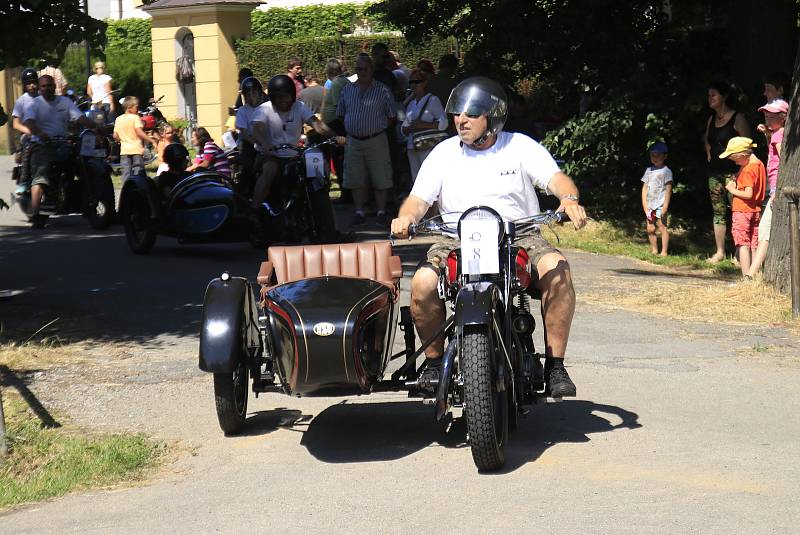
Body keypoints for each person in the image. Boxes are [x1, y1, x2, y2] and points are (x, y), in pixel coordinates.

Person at [390, 77, 587, 397]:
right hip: (455, 238)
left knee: (558, 270)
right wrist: (407, 217)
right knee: (423, 284)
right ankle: (433, 362)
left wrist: (569, 200)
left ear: (492, 117)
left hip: (519, 235)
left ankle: (555, 367)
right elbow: (418, 200)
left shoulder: (519, 146)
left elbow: (557, 179)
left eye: (470, 114)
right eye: (456, 114)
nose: (460, 120)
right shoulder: (443, 153)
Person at [250, 74, 344, 242]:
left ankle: (329, 225)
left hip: (295, 155)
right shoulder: (264, 110)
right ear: (272, 97)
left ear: (292, 95)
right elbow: (256, 129)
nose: (283, 100)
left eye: (286, 96)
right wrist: (266, 144)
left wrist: (335, 136)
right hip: (270, 155)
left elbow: (316, 123)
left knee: (316, 166)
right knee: (271, 169)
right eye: (279, 97)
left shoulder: (299, 107)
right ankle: (254, 211)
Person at [23, 75, 97, 228]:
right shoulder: (34, 104)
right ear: (39, 87)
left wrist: (97, 126)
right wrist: (39, 133)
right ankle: (36, 214)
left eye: (50, 85)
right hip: (42, 145)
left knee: (82, 164)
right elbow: (29, 122)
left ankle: (88, 202)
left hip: (63, 143)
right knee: (40, 176)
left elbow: (80, 118)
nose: (47, 88)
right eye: (44, 86)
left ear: (55, 86)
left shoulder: (64, 102)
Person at [337, 54, 397, 226]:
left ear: (371, 70)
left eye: (364, 69)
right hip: (353, 141)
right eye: (358, 69)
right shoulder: (347, 90)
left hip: (376, 139)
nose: (361, 72)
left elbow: (392, 116)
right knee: (355, 178)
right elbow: (341, 114)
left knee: (381, 176)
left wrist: (375, 126)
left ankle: (380, 211)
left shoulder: (383, 90)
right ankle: (359, 211)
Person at [703, 80, 750, 263]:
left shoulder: (737, 118)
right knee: (718, 211)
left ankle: (740, 254)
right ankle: (720, 252)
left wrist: (742, 171)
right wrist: (707, 148)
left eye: (713, 95)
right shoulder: (711, 119)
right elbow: (707, 137)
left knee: (738, 212)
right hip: (714, 173)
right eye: (709, 95)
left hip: (734, 173)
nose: (710, 99)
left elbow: (747, 145)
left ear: (724, 97)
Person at [746, 99, 788, 279]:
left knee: (764, 232)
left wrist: (777, 191)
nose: (768, 120)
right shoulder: (779, 133)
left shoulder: (779, 135)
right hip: (775, 189)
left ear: (784, 118)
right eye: (766, 116)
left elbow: (783, 160)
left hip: (777, 190)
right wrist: (768, 134)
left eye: (772, 117)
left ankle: (750, 275)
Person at [719, 137, 766, 277]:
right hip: (755, 210)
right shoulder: (759, 165)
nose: (734, 162)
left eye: (735, 159)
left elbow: (748, 193)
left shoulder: (747, 170)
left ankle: (746, 276)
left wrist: (732, 190)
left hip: (742, 210)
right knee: (753, 243)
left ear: (743, 154)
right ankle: (754, 275)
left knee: (742, 243)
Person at [401, 68, 448, 182]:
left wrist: (424, 125)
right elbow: (403, 128)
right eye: (411, 82)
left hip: (428, 146)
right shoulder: (411, 103)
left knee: (430, 179)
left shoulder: (433, 100)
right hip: (412, 147)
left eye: (416, 82)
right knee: (416, 180)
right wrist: (408, 128)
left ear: (424, 83)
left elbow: (444, 123)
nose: (413, 85)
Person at [235, 76, 267, 196]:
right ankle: (241, 195)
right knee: (248, 168)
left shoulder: (267, 107)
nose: (250, 96)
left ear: (259, 92)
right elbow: (243, 132)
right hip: (251, 145)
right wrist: (256, 143)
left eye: (253, 92)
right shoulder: (243, 111)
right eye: (247, 94)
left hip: (267, 144)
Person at [640, 142, 673, 256]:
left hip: (660, 204)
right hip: (650, 205)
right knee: (650, 228)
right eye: (652, 155)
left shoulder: (666, 171)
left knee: (662, 227)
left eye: (658, 155)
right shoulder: (649, 171)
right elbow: (644, 188)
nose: (655, 158)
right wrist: (645, 205)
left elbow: (668, 190)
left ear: (665, 156)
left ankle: (664, 252)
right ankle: (654, 250)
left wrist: (665, 206)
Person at [11, 68, 40, 194]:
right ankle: (24, 180)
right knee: (28, 146)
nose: (32, 86)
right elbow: (16, 124)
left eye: (34, 82)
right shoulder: (21, 101)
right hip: (27, 134)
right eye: (28, 83)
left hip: (44, 132)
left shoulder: (43, 98)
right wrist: (28, 131)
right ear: (24, 85)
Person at [113, 97, 152, 182]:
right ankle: (139, 189)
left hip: (124, 150)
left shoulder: (118, 119)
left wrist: (121, 140)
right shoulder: (135, 118)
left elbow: (115, 135)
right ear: (129, 108)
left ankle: (126, 190)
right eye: (136, 107)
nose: (138, 109)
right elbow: (139, 132)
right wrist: (151, 140)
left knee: (126, 172)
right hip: (136, 149)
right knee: (138, 171)